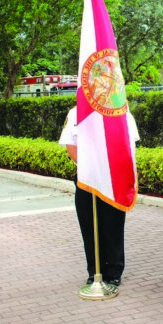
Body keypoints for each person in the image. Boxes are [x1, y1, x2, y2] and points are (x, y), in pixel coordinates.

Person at [59, 106, 140, 287]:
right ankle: (95, 271)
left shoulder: (122, 112)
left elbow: (128, 145)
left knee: (113, 227)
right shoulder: (76, 112)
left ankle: (114, 271)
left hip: (113, 180)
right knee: (89, 227)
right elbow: (71, 144)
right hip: (87, 180)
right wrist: (89, 169)